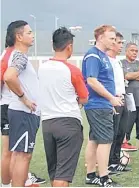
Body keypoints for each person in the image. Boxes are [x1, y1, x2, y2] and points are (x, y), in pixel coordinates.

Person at [38, 27, 88, 187]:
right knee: (63, 175)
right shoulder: (72, 70)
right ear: (70, 47)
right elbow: (84, 98)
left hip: (47, 124)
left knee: (55, 173)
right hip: (67, 123)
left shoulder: (42, 68)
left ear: (53, 45)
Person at [0, 23, 45, 188]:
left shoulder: (17, 55)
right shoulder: (20, 56)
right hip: (23, 114)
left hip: (22, 114)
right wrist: (24, 99)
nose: (33, 35)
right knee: (23, 156)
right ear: (19, 36)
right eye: (29, 32)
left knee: (19, 154)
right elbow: (9, 76)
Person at [82, 24, 123, 187]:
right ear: (100, 38)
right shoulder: (93, 55)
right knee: (105, 141)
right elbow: (92, 80)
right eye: (111, 38)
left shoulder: (103, 55)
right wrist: (111, 98)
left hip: (101, 104)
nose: (114, 42)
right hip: (97, 104)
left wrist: (109, 101)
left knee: (94, 140)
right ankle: (104, 177)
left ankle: (91, 175)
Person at [107, 32, 132, 173]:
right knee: (113, 132)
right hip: (113, 99)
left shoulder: (117, 61)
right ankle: (109, 162)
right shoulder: (106, 60)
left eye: (122, 43)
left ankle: (115, 160)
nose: (121, 45)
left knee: (121, 131)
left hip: (122, 99)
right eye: (119, 42)